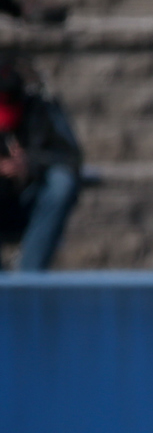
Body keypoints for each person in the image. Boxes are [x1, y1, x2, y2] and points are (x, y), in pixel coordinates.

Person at [0, 53, 82, 272]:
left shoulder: (40, 106)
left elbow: (70, 157)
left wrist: (29, 164)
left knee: (61, 182)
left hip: (29, 202)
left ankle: (29, 276)